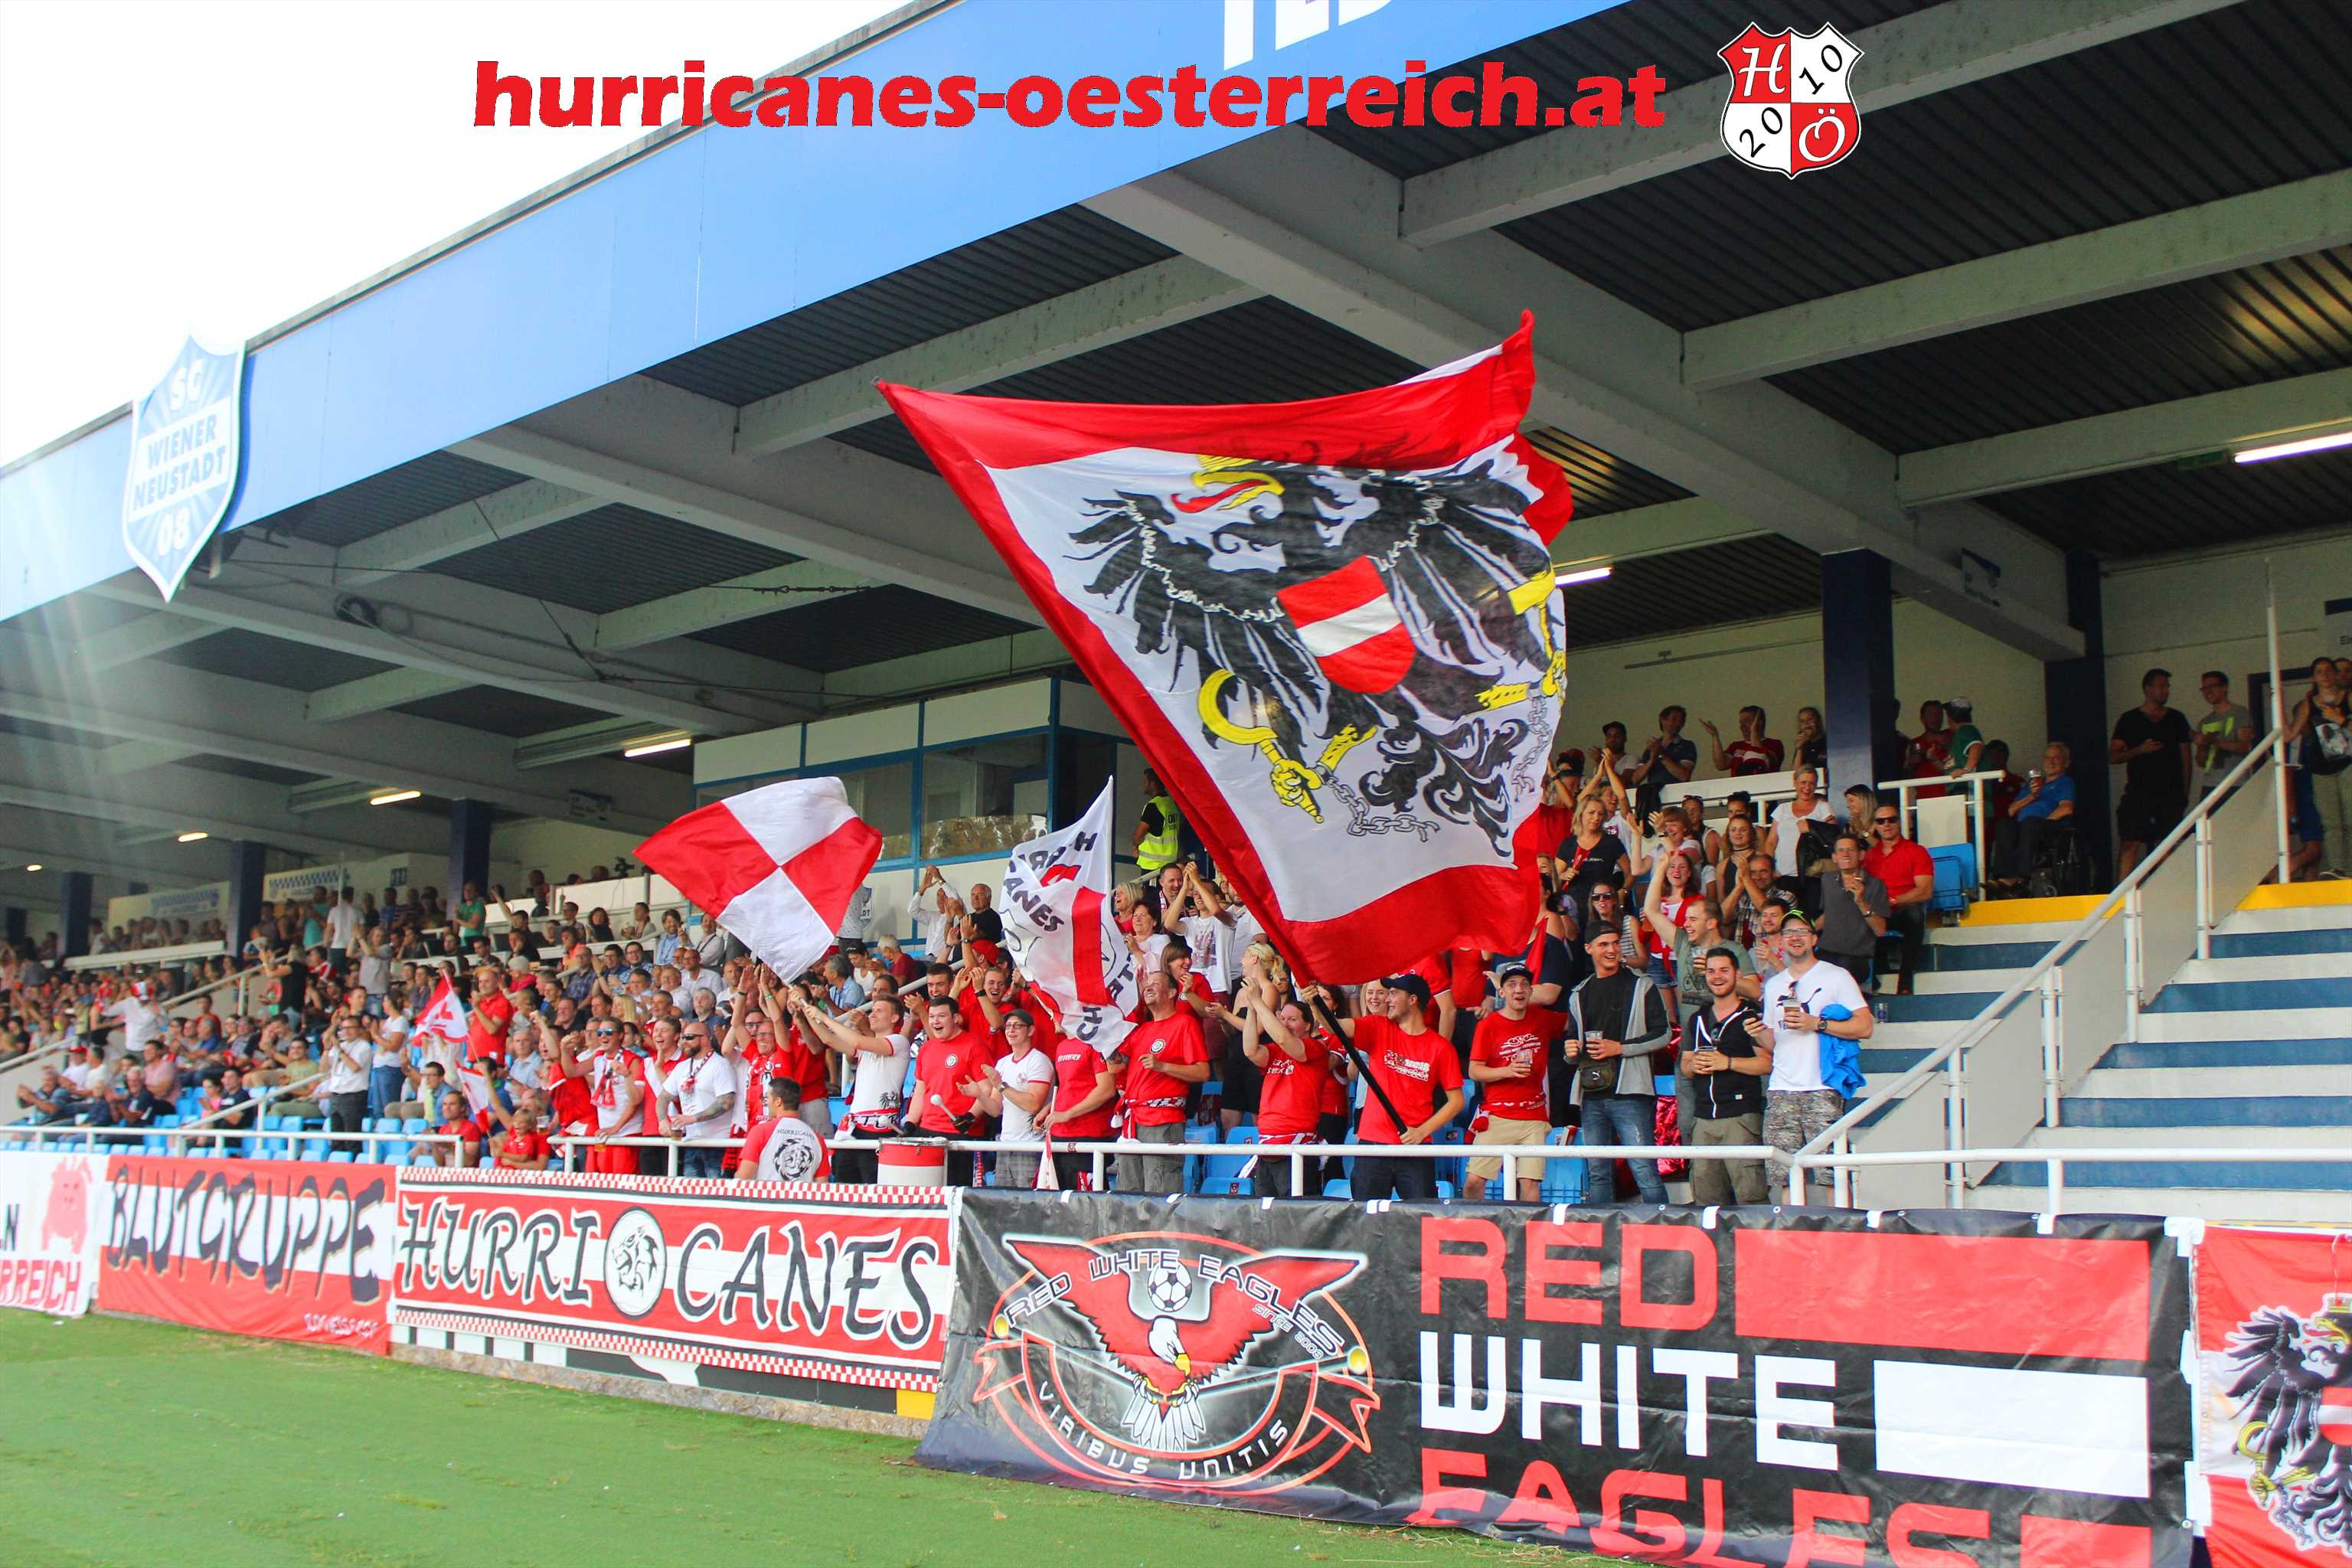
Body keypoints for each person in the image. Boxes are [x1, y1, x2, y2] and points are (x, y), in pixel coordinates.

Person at [1753, 909, 1875, 1200]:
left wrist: (1816, 1024)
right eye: (1789, 933)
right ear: (1780, 941)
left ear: (1814, 938)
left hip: (1822, 1086)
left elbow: (1866, 1026)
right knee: (1784, 1176)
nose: (1795, 937)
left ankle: (1840, 1223)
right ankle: (1792, 1224)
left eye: (1801, 932)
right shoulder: (1774, 984)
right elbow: (1774, 1043)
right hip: (1781, 1088)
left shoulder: (1836, 976)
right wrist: (1756, 1032)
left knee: (1832, 1173)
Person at [1315, 973, 1462, 1203]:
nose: (1388, 999)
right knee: (1367, 1216)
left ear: (1412, 999)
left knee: (1421, 1217)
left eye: (1393, 994)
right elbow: (1335, 1028)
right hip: (1373, 1144)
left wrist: (1422, 1132)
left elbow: (1457, 1101)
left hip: (1414, 1147)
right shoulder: (1378, 1026)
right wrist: (1314, 1002)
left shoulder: (1441, 1047)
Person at [1560, 925, 1671, 1204]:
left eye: (1615, 943)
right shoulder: (1579, 993)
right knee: (1598, 1173)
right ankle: (1602, 1229)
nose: (1612, 950)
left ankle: (1663, 1227)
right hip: (1591, 1094)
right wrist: (1570, 1051)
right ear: (1589, 949)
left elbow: (1664, 1034)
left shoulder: (1642, 984)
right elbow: (1572, 1044)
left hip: (1632, 1092)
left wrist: (1620, 1048)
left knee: (1644, 1169)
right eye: (1603, 944)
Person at [1465, 962, 1563, 1203]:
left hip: (1534, 1115)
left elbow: (1579, 1019)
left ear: (1531, 991)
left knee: (1530, 1182)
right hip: (1498, 1114)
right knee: (1474, 1180)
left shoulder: (1544, 1019)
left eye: (1524, 984)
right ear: (1501, 992)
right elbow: (1474, 1071)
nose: (1518, 989)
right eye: (1511, 984)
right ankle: (1472, 1224)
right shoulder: (1488, 1025)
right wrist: (1507, 1071)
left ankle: (1528, 1227)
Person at [1680, 951, 1769, 1205]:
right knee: (1706, 1202)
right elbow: (1685, 1065)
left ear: (1737, 975)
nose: (1717, 976)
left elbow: (1767, 1063)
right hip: (1703, 1119)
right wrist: (1694, 1065)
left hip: (1740, 1117)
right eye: (1711, 971)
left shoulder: (1750, 1014)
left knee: (1751, 1198)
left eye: (1724, 970)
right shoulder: (1697, 1018)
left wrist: (1728, 1062)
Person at [1112, 971, 1210, 1193]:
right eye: (1147, 984)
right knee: (1128, 1193)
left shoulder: (1184, 1023)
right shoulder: (1142, 1030)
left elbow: (1203, 1072)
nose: (1148, 987)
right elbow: (1116, 1066)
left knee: (1160, 1194)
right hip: (1133, 1121)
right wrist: (1101, 1039)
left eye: (1156, 983)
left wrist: (1163, 1066)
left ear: (1173, 992)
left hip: (1163, 1121)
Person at [2112, 667, 2194, 878]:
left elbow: (2186, 757)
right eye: (2162, 686)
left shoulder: (2176, 718)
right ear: (2148, 689)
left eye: (2168, 687)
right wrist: (2139, 750)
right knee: (2130, 842)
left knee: (2166, 844)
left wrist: (2184, 792)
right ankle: (2123, 892)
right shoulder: (2129, 719)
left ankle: (2165, 889)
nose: (2166, 691)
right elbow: (2113, 756)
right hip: (2138, 790)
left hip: (2171, 791)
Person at [963, 1008, 1053, 1188]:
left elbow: (1033, 1104)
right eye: (1008, 1026)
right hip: (1005, 1144)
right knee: (1003, 1199)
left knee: (1029, 1199)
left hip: (1031, 1145)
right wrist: (979, 1094)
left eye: (1017, 1026)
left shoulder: (1038, 1060)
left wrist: (1001, 1085)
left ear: (1031, 1031)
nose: (1011, 1030)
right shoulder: (1003, 1063)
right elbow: (996, 1110)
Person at [1864, 804, 1936, 994]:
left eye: (1892, 819)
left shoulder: (1916, 851)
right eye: (1881, 821)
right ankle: (1869, 980)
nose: (1886, 824)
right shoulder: (1870, 856)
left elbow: (1925, 891)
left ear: (1899, 822)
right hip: (1878, 910)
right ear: (1875, 826)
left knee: (1915, 915)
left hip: (1902, 908)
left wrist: (1894, 900)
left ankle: (1905, 981)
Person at [2293, 662, 2352, 877]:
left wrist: (2341, 719)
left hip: (2347, 762)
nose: (2325, 675)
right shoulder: (2308, 704)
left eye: (2329, 671)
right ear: (2313, 678)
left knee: (2350, 818)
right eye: (2319, 672)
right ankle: (2339, 868)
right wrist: (2277, 701)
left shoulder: (2348, 698)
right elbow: (2291, 734)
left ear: (2336, 674)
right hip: (2321, 768)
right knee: (2331, 822)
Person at [659, 1021, 737, 1179]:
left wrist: (693, 1118)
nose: (684, 1042)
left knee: (716, 1192)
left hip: (718, 1143)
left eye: (689, 1037)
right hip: (692, 1142)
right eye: (683, 1038)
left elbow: (726, 1102)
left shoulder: (720, 1064)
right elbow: (663, 1097)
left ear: (705, 1039)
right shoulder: (682, 1067)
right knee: (691, 1191)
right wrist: (662, 1120)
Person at [1996, 742, 2078, 887]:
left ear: (2066, 762)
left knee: (2031, 824)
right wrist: (2032, 796)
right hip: (2027, 826)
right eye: (2047, 758)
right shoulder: (2034, 784)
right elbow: (2011, 810)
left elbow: (2066, 809)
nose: (2051, 762)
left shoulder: (2065, 782)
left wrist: (2041, 823)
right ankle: (2004, 877)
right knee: (2005, 825)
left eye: (2056, 758)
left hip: (2051, 828)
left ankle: (2022, 878)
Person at [1815, 832, 1890, 985]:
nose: (1846, 854)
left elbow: (1880, 930)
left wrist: (1861, 902)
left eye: (1851, 850)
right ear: (1834, 857)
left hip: (1856, 956)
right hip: (1827, 952)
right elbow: (1828, 913)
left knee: (1838, 978)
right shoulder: (1827, 880)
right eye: (1841, 850)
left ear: (1861, 855)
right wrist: (1806, 930)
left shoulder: (1875, 885)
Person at [736, 1078, 828, 1183]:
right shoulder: (817, 1139)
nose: (766, 1102)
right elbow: (822, 1184)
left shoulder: (760, 1131)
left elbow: (744, 1176)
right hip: (802, 1194)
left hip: (767, 1193)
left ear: (778, 1101)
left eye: (767, 1097)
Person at [1764, 768, 1835, 885]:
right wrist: (1769, 869)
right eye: (1803, 782)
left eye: (1811, 783)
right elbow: (1771, 843)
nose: (1807, 787)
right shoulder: (1782, 809)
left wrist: (1811, 827)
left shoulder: (1823, 807)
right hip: (1783, 874)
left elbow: (1833, 835)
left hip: (1813, 874)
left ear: (1816, 785)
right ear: (1795, 783)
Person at [2195, 671, 2256, 799]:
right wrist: (2201, 746)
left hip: (2235, 782)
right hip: (2210, 783)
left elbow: (2244, 747)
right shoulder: (2204, 722)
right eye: (2204, 688)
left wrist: (2214, 741)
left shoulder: (2239, 712)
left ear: (2225, 687)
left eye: (2212, 686)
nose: (2208, 692)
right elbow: (2201, 762)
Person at [1629, 705, 1697, 818]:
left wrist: (1661, 755)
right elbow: (1635, 779)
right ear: (1663, 720)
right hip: (1653, 800)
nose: (1678, 724)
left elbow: (1684, 776)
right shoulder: (1651, 748)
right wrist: (1652, 758)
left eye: (1681, 721)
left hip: (1677, 799)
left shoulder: (1687, 745)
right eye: (1674, 719)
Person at [1700, 706, 1785, 776]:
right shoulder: (1736, 746)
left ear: (1759, 722)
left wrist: (1754, 732)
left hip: (1762, 787)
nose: (1742, 726)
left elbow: (1757, 758)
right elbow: (1721, 765)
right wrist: (1715, 736)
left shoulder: (1774, 744)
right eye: (1741, 722)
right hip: (1738, 789)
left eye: (1747, 721)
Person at [1134, 767, 1181, 874]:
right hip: (1170, 863)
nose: (1143, 784)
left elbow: (1138, 836)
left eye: (1145, 781)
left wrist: (1135, 845)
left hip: (1153, 866)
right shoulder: (1170, 802)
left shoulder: (1153, 806)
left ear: (1153, 784)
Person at [495, 1106, 554, 1171]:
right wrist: (498, 1167)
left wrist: (511, 1163)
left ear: (539, 1112)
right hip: (506, 1171)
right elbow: (500, 1155)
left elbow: (539, 1166)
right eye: (515, 1121)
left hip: (523, 1172)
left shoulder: (540, 1137)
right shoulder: (515, 1134)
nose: (523, 1107)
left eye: (528, 1105)